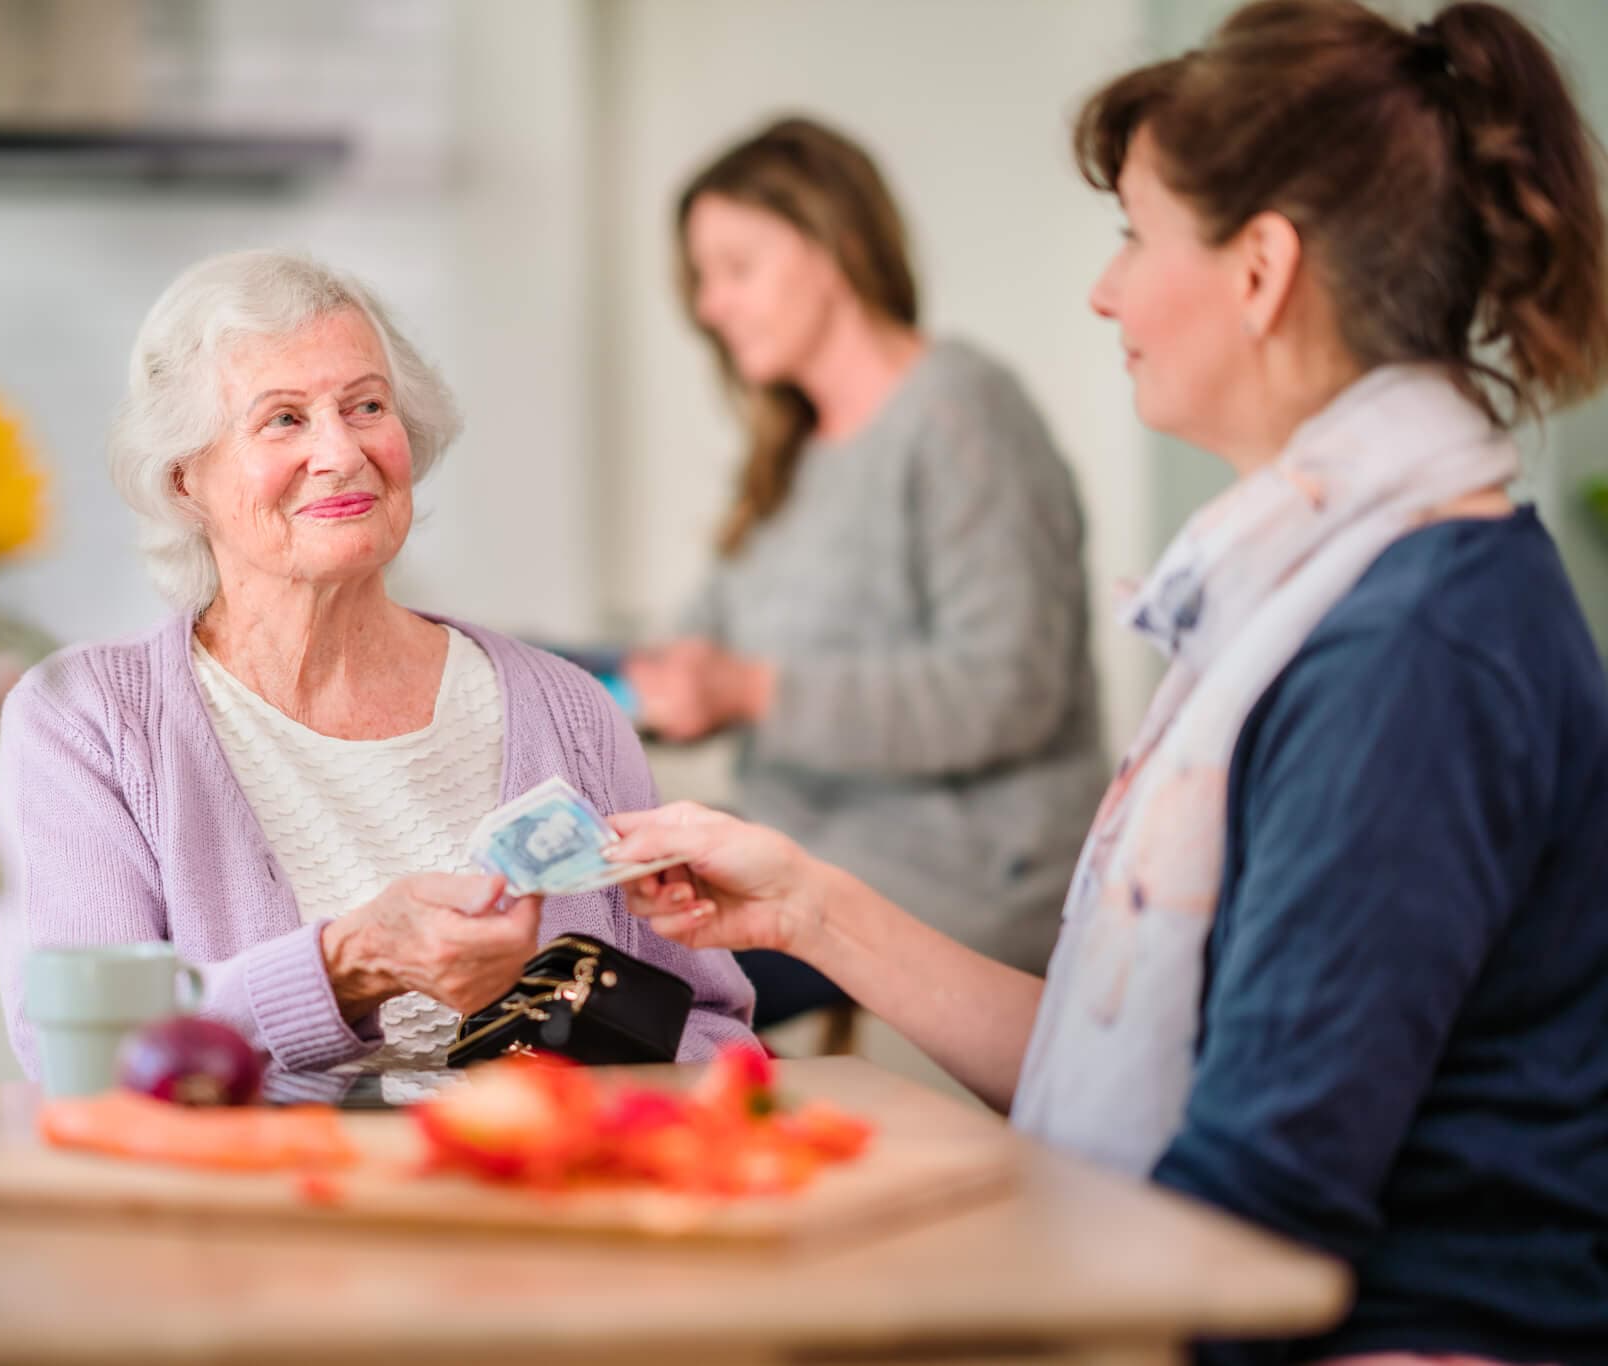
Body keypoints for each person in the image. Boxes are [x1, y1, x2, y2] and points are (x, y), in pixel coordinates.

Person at [607, 3, 1608, 1360]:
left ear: (1260, 272)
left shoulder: (1407, 651)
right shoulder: (1319, 590)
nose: (1106, 290)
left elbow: (1254, 1215)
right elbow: (1136, 1060)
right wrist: (808, 903)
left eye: (1136, 235)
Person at [0, 250, 755, 1078]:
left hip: (540, 1187)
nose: (342, 452)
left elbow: (709, 1027)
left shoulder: (567, 711)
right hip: (260, 1199)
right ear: (186, 481)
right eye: (283, 419)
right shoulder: (88, 718)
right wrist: (343, 967)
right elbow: (83, 1050)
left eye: (366, 406)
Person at [624, 116, 1109, 1028]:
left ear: (832, 248)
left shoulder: (963, 415)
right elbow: (701, 642)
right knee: (576, 934)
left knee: (628, 997)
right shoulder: (795, 448)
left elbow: (1005, 691)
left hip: (954, 882)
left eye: (737, 268)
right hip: (806, 847)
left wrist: (752, 691)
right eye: (700, 278)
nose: (708, 306)